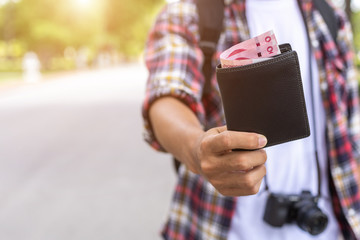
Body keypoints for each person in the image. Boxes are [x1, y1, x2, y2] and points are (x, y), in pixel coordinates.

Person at [142, 0, 360, 239]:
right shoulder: (190, 12)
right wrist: (196, 149)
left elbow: (351, 130)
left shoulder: (331, 17)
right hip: (224, 229)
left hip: (328, 227)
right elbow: (167, 96)